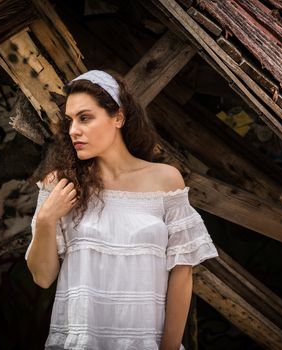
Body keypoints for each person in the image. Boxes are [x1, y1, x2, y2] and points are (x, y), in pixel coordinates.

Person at [24, 69, 219, 350]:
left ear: (118, 117)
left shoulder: (165, 180)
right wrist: (46, 219)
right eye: (70, 120)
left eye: (85, 118)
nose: (73, 130)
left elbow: (182, 273)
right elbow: (42, 278)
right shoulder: (60, 185)